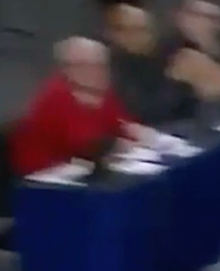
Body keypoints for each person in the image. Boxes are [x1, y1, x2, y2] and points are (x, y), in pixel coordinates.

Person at [11, 38, 144, 176]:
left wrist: (132, 135)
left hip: (85, 169)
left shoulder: (100, 92)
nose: (99, 72)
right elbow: (87, 145)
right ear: (66, 68)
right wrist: (118, 144)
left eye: (102, 66)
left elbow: (123, 126)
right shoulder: (56, 95)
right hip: (46, 177)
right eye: (88, 66)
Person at [105, 5, 199, 126]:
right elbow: (148, 113)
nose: (145, 36)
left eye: (147, 29)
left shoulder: (162, 52)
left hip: (191, 123)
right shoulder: (111, 68)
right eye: (135, 30)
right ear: (114, 34)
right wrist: (179, 81)